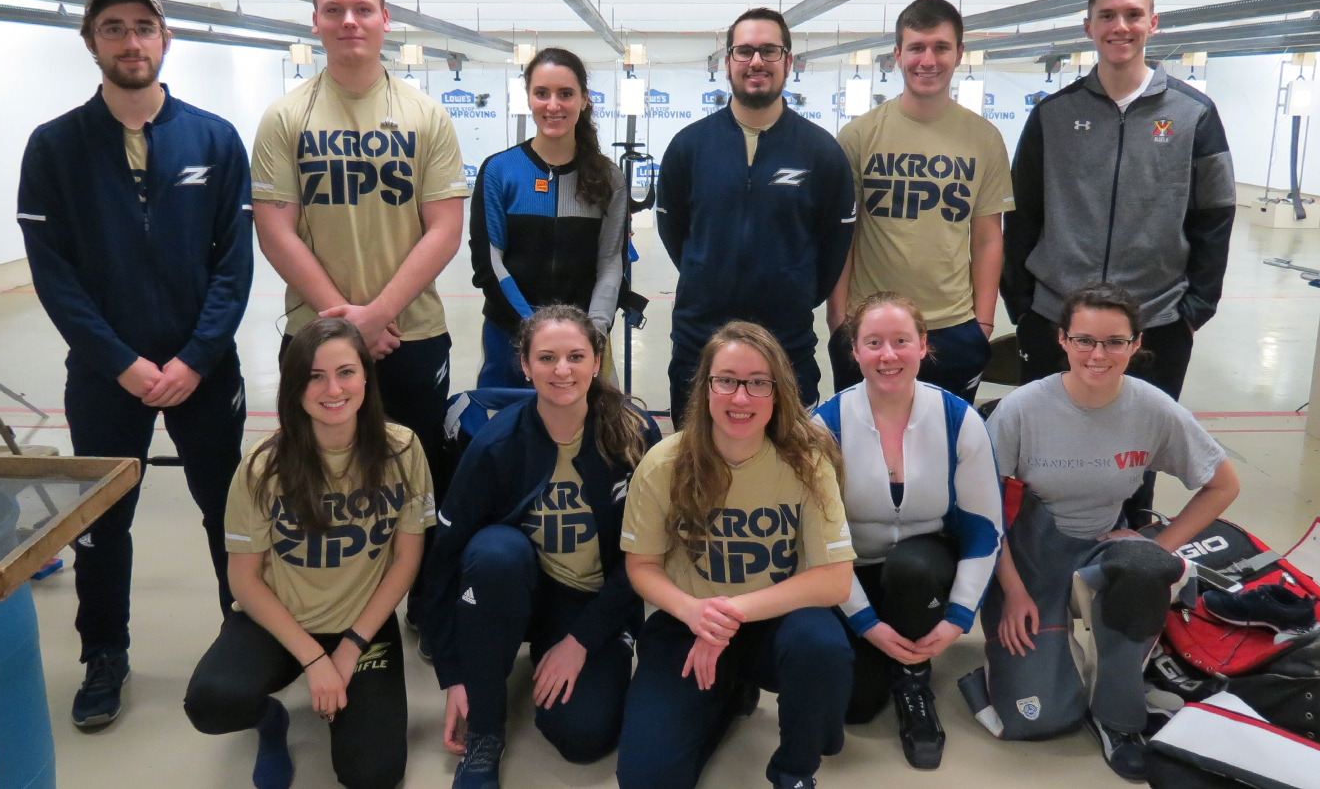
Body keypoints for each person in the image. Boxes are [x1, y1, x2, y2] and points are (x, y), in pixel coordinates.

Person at [16, 0, 252, 730]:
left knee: (228, 513)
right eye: (113, 28)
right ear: (92, 42)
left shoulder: (213, 139)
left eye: (143, 27)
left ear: (164, 39)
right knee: (102, 525)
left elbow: (233, 264)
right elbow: (54, 274)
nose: (130, 41)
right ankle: (104, 654)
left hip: (204, 373)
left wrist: (198, 357)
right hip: (103, 375)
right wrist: (119, 360)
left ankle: (241, 638)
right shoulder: (54, 147)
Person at [972, 283, 1239, 782]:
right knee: (1039, 716)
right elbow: (983, 514)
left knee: (1145, 567)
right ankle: (1007, 671)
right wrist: (1010, 593)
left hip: (1099, 552)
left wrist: (1157, 545)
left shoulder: (1153, 409)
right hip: (1030, 562)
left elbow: (1222, 484)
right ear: (1063, 340)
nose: (1099, 354)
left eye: (1115, 342)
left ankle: (1118, 716)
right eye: (1085, 340)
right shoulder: (1022, 410)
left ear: (1136, 344)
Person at [1002, 0, 1235, 522]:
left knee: (1136, 457)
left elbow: (1216, 213)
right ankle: (1038, 562)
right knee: (1045, 453)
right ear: (1088, 26)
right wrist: (1025, 306)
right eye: (1108, 15)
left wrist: (1194, 309)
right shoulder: (1052, 116)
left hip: (1154, 321)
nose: (1120, 25)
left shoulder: (1193, 114)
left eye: (1132, 14)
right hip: (1058, 317)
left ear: (1153, 23)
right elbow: (1022, 215)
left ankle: (1124, 562)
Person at [183, 317, 433, 789]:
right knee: (212, 702)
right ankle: (271, 722)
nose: (332, 388)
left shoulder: (403, 450)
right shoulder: (263, 466)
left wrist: (350, 648)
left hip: (361, 624)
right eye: (315, 376)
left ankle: (349, 701)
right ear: (294, 387)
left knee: (372, 776)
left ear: (365, 377)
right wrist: (316, 660)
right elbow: (245, 581)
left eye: (345, 372)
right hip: (281, 620)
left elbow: (405, 561)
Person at [251, 0, 468, 496]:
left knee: (415, 486)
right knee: (316, 484)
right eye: (334, 9)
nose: (349, 20)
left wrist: (379, 315)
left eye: (362, 9)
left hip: (410, 334)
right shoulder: (285, 118)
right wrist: (348, 327)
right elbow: (275, 231)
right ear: (316, 21)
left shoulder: (426, 115)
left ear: (385, 18)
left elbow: (444, 228)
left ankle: (415, 584)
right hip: (314, 338)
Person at [423, 304, 661, 789]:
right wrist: (454, 674)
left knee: (585, 737)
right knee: (494, 552)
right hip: (520, 587)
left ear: (597, 361)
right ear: (525, 366)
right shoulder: (494, 445)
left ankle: (551, 654)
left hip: (594, 602)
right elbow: (444, 558)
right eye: (547, 357)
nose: (562, 370)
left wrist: (580, 642)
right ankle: (486, 735)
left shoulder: (634, 437)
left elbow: (645, 561)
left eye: (575, 356)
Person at [616, 321, 856, 789]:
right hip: (688, 620)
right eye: (726, 380)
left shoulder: (806, 463)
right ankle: (728, 696)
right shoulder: (664, 464)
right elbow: (640, 567)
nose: (740, 398)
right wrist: (694, 612)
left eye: (757, 383)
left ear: (778, 392)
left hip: (772, 618)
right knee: (646, 780)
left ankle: (794, 771)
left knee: (822, 648)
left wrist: (728, 615)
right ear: (705, 388)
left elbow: (835, 581)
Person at [811, 292, 1003, 771]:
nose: (888, 355)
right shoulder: (823, 426)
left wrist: (959, 617)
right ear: (853, 352)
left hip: (923, 568)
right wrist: (864, 623)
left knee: (911, 568)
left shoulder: (959, 419)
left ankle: (915, 677)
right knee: (856, 706)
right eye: (873, 342)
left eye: (901, 341)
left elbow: (984, 529)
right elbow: (819, 541)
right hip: (849, 574)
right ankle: (888, 658)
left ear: (923, 346)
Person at [657, 8, 856, 427]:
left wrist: (792, 288)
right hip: (700, 345)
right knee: (697, 475)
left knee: (787, 476)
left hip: (787, 347)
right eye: (744, 51)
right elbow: (675, 234)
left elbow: (834, 248)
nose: (756, 61)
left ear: (788, 60)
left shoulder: (821, 153)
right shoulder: (688, 147)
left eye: (769, 50)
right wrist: (709, 273)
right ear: (727, 62)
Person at [830, 0, 1012, 404]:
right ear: (897, 54)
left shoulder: (984, 138)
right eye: (916, 48)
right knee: (864, 451)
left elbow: (987, 238)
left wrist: (982, 324)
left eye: (941, 47)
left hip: (952, 326)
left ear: (959, 53)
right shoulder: (859, 136)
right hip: (869, 324)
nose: (927, 60)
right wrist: (838, 317)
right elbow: (844, 235)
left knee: (946, 450)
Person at [469, 48, 628, 389]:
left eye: (566, 94)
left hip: (583, 342)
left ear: (584, 99)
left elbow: (611, 262)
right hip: (509, 336)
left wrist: (594, 332)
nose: (553, 105)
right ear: (528, 97)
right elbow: (489, 262)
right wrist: (531, 331)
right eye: (542, 93)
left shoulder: (609, 178)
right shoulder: (499, 170)